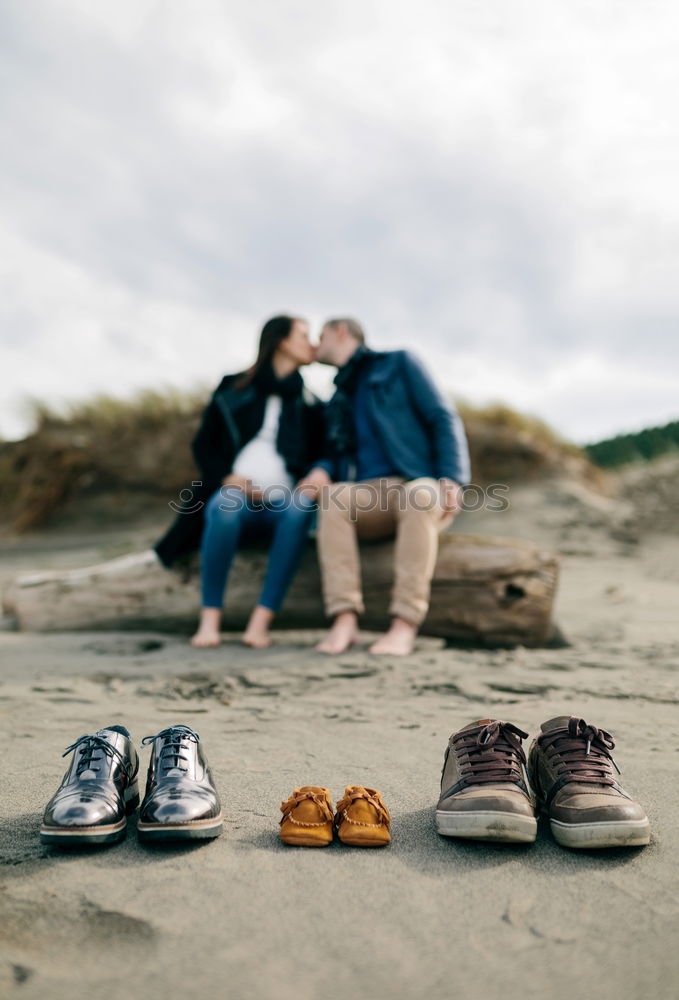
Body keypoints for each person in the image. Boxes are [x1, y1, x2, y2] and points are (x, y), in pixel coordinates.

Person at [153, 315, 326, 649]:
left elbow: (324, 451)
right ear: (281, 341)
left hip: (284, 500)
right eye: (305, 335)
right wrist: (227, 478)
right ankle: (209, 621)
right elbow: (204, 443)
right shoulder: (234, 387)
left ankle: (260, 623)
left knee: (300, 509)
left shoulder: (310, 402)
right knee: (223, 506)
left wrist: (318, 472)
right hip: (237, 495)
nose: (313, 344)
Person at [304, 318, 471, 656]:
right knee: (334, 497)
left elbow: (442, 416)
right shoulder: (338, 395)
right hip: (370, 493)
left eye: (320, 336)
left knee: (418, 495)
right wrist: (322, 470)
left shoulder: (398, 363)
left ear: (341, 332)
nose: (315, 344)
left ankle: (404, 626)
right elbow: (336, 453)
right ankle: (344, 620)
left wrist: (452, 476)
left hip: (417, 482)